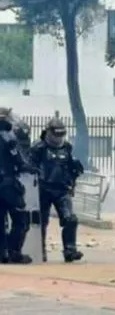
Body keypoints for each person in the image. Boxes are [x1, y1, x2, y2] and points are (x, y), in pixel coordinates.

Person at [30, 117, 84, 263]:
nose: (58, 138)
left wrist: (74, 175)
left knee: (70, 219)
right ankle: (40, 251)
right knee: (41, 222)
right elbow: (30, 167)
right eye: (56, 134)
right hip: (43, 189)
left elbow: (71, 166)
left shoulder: (67, 147)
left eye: (61, 134)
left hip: (62, 189)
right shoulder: (38, 148)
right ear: (48, 132)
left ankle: (70, 250)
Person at [0, 107, 37, 264]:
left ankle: (2, 253)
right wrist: (31, 168)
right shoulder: (7, 135)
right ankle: (14, 252)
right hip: (7, 185)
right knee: (21, 219)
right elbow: (18, 161)